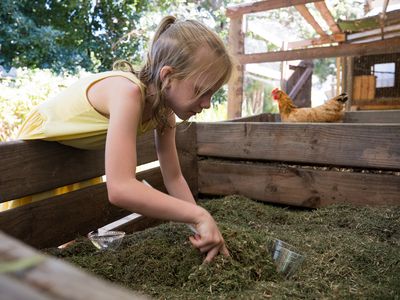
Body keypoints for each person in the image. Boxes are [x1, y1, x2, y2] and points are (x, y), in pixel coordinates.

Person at [13, 16, 234, 262]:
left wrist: (201, 228)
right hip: (40, 148)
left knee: (67, 239)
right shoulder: (127, 93)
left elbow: (173, 176)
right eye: (201, 91)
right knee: (31, 243)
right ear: (168, 76)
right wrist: (199, 215)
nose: (207, 103)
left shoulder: (164, 113)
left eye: (212, 93)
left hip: (79, 151)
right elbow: (120, 188)